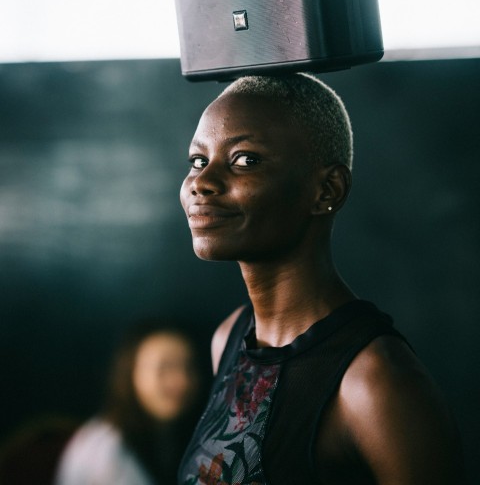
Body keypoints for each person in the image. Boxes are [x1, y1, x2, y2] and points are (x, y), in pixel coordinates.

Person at [177, 72, 467, 485]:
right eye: (198, 161)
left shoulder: (374, 382)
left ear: (327, 190)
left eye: (245, 160)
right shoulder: (229, 339)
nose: (201, 183)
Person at [55, 320, 202, 485]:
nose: (182, 381)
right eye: (165, 367)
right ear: (130, 372)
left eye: (189, 367)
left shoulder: (168, 436)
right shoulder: (108, 450)